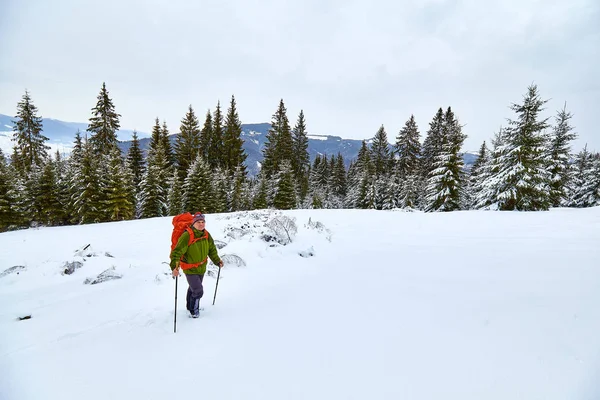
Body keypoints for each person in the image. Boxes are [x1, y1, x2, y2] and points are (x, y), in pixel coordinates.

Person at [170, 212, 223, 318]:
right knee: (198, 291)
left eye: (203, 222)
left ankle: (190, 307)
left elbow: (211, 249)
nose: (201, 224)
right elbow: (177, 252)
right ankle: (194, 311)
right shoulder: (187, 235)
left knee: (192, 288)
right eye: (198, 222)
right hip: (190, 268)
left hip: (202, 267)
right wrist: (174, 267)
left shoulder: (206, 234)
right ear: (193, 223)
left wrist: (217, 260)